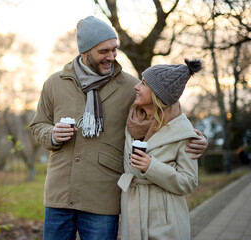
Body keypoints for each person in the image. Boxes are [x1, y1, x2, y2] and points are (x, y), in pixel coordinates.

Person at [30, 16, 207, 240]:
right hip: (59, 195)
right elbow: (38, 125)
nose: (111, 57)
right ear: (84, 52)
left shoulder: (129, 86)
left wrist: (198, 138)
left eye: (115, 50)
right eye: (104, 51)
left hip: (103, 198)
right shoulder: (55, 83)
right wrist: (52, 134)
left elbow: (166, 113)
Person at [118, 59, 203, 240]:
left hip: (165, 220)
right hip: (132, 211)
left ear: (158, 94)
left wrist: (152, 167)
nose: (136, 87)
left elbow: (189, 181)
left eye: (144, 83)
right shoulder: (132, 119)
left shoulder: (182, 131)